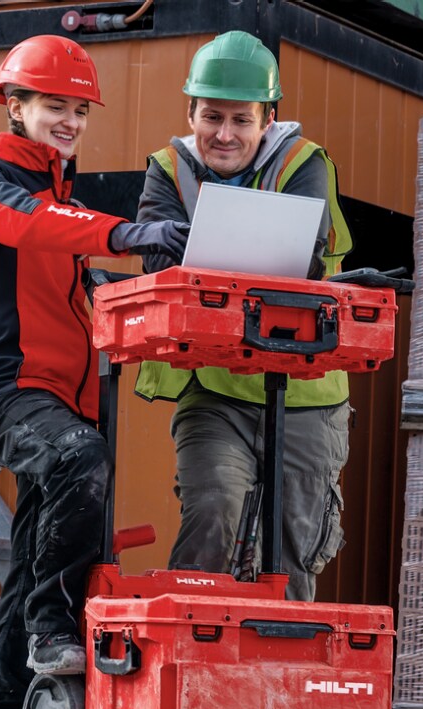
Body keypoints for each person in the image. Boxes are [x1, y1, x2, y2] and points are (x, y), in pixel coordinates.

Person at [0, 34, 188, 709]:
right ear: (14, 106)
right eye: (55, 105)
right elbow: (29, 225)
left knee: (26, 569)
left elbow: (75, 272)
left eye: (79, 110)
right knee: (82, 461)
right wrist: (125, 230)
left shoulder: (62, 205)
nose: (70, 120)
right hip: (7, 395)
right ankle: (55, 629)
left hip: (64, 402)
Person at [133, 30, 354, 602]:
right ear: (191, 112)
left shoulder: (306, 163)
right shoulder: (168, 168)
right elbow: (160, 259)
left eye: (241, 119)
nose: (224, 134)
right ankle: (188, 655)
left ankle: (276, 680)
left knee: (292, 550)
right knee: (213, 511)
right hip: (214, 388)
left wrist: (205, 250)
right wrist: (255, 252)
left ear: (268, 117)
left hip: (306, 393)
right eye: (212, 117)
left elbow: (301, 261)